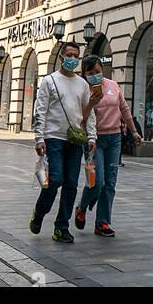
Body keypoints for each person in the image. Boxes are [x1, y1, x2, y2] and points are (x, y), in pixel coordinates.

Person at [29, 41, 97, 243]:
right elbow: (40, 110)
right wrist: (39, 137)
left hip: (75, 139)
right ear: (61, 57)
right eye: (69, 55)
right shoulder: (49, 81)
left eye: (76, 56)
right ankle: (40, 211)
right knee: (55, 180)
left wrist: (92, 136)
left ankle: (61, 226)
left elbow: (89, 111)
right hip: (53, 137)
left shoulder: (83, 84)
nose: (72, 59)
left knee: (71, 184)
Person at [75, 55, 141, 238]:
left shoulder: (113, 85)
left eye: (97, 71)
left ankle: (102, 222)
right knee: (96, 182)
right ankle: (81, 208)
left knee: (110, 183)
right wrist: (91, 102)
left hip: (114, 140)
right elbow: (81, 117)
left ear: (102, 69)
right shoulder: (82, 89)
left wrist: (134, 131)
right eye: (90, 73)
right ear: (84, 74)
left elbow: (124, 109)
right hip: (92, 141)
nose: (94, 75)